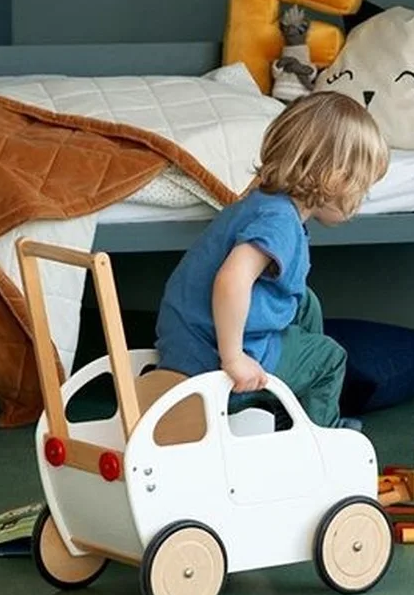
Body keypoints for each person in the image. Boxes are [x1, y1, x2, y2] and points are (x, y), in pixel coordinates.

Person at [154, 91, 389, 430]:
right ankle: (319, 435)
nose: (361, 199)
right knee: (329, 358)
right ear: (334, 178)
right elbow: (231, 281)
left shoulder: (261, 202)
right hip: (212, 362)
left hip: (187, 341)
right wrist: (234, 358)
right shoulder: (279, 222)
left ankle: (290, 399)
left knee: (306, 303)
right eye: (361, 187)